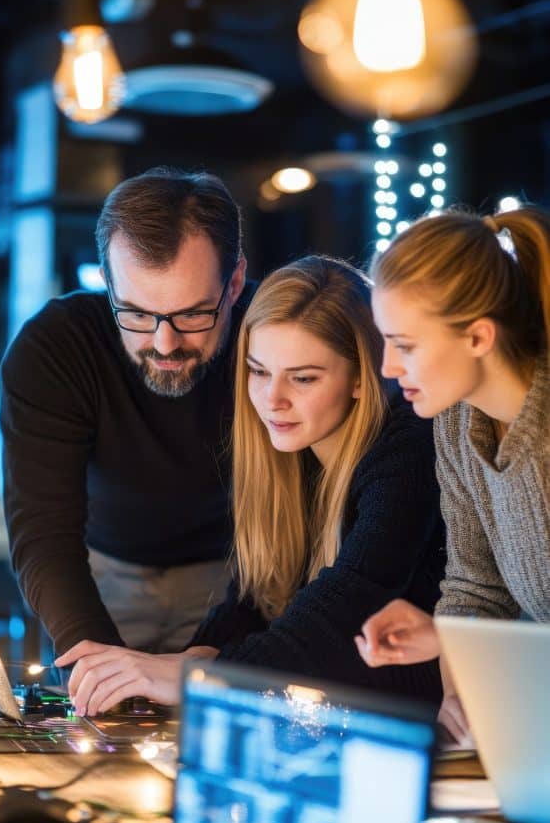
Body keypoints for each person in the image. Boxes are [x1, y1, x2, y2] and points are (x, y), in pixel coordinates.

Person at [55, 254, 446, 715]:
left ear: (362, 375)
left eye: (302, 378)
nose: (272, 400)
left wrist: (195, 677)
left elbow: (336, 619)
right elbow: (250, 604)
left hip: (430, 737)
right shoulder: (295, 455)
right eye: (258, 372)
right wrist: (187, 663)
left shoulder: (408, 453)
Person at [0, 166, 252, 658]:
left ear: (236, 281)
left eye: (193, 314)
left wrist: (209, 662)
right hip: (99, 572)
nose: (165, 343)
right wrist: (93, 658)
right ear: (108, 285)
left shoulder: (276, 338)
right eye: (135, 313)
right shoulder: (55, 348)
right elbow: (43, 532)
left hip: (239, 572)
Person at [354, 204, 550, 742]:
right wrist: (461, 703)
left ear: (478, 337)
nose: (389, 369)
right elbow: (474, 590)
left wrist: (446, 638)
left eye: (405, 346)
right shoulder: (457, 423)